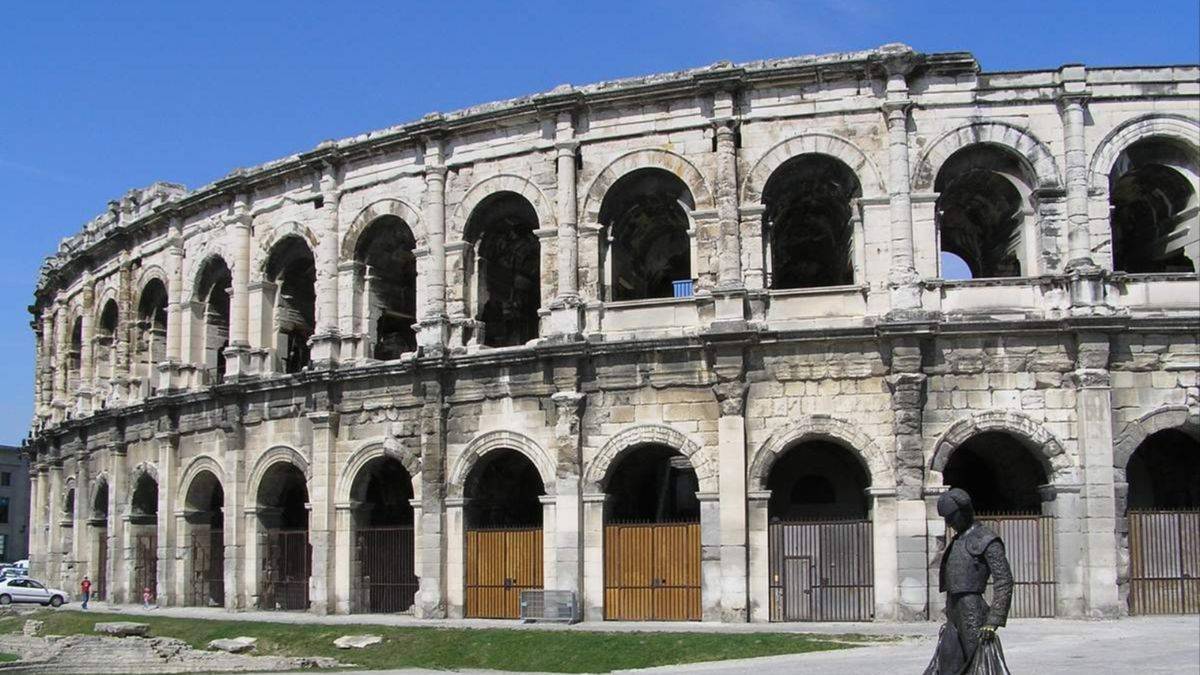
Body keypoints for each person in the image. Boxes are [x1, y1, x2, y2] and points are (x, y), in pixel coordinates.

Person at [926, 487, 1013, 674]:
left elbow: (1004, 580)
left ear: (964, 512)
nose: (948, 523)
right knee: (947, 664)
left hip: (972, 610)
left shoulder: (986, 539)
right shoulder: (957, 540)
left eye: (951, 517)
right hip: (953, 610)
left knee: (978, 666)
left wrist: (994, 620)